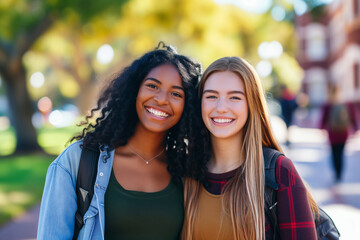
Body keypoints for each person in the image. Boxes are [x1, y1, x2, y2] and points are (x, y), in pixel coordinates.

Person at [37, 42, 202, 240]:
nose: (161, 99)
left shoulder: (187, 170)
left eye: (176, 93)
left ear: (188, 105)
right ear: (134, 91)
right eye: (152, 86)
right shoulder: (77, 161)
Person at [182, 57, 318, 240]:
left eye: (235, 97)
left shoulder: (279, 172)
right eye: (211, 96)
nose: (221, 108)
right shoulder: (187, 171)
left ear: (251, 105)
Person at [320, 85, 358, 182]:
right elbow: (353, 116)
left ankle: (336, 173)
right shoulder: (346, 103)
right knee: (341, 153)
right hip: (344, 132)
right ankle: (340, 173)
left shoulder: (328, 104)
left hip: (332, 132)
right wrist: (355, 128)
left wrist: (321, 128)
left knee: (334, 153)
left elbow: (323, 118)